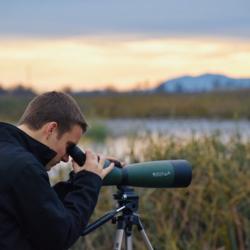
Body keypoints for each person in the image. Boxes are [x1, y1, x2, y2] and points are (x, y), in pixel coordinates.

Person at [0, 91, 114, 250]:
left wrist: (77, 180)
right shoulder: (25, 168)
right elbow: (59, 237)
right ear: (51, 129)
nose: (67, 158)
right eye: (69, 147)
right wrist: (89, 182)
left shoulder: (9, 155)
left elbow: (37, 209)